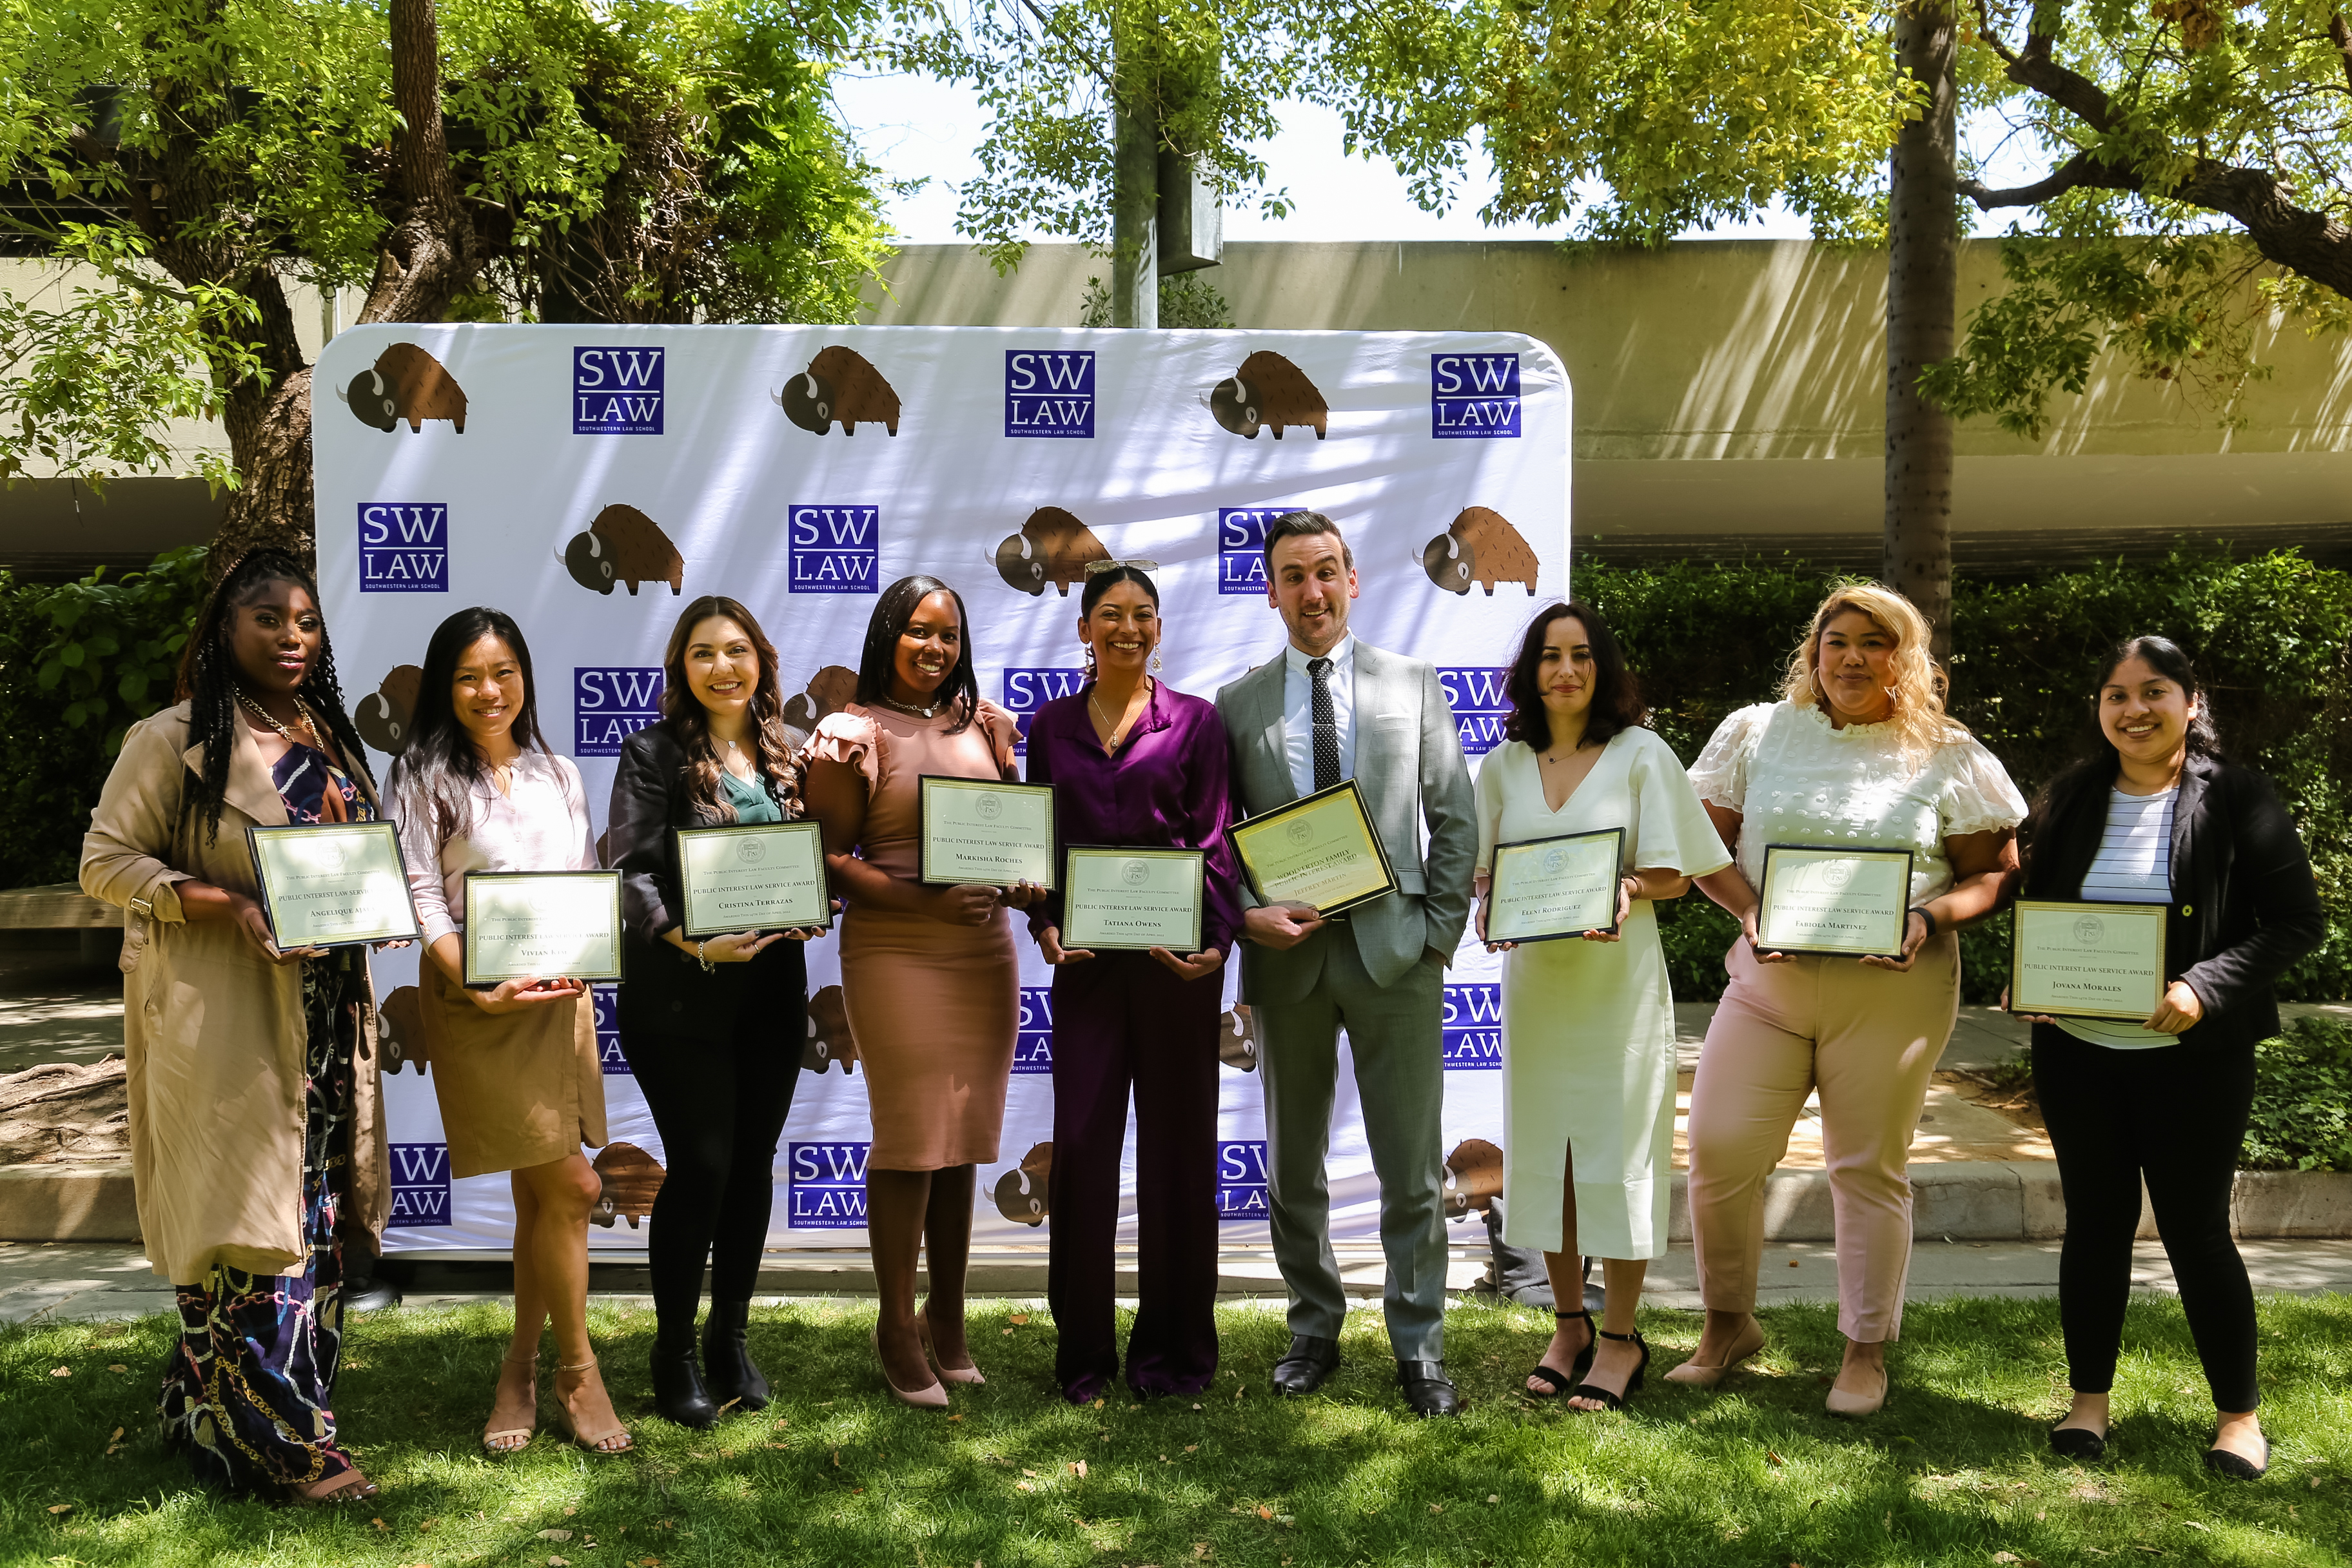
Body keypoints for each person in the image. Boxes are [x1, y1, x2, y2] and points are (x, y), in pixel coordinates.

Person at [80, 547, 393, 1500]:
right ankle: (287, 1449)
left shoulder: (330, 736)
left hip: (327, 1021)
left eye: (306, 621)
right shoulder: (172, 738)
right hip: (227, 1019)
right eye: (270, 619)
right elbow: (104, 861)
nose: (293, 637)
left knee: (320, 1215)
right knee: (251, 1224)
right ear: (226, 628)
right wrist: (224, 903)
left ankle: (203, 1406)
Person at [1672, 583, 2025, 1415]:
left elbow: (1998, 872)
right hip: (1769, 982)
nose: (1854, 657)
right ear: (1814, 649)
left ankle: (1865, 1349)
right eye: (1838, 640)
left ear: (1908, 658)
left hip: (1894, 986)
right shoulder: (1756, 731)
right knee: (1719, 1152)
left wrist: (1926, 915)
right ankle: (1727, 1326)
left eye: (1877, 642)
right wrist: (1749, 908)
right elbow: (1694, 842)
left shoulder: (1948, 750)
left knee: (1866, 1167)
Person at [2015, 637, 2320, 1478]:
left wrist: (2204, 985)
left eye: (2153, 691)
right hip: (2079, 1053)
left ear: (2190, 702)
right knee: (2095, 1227)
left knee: (2196, 1233)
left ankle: (2240, 1418)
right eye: (2116, 694)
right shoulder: (2074, 795)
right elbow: (2036, 897)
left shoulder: (2237, 797)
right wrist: (2035, 977)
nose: (2133, 709)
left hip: (2195, 1058)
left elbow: (2297, 922)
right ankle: (2088, 1406)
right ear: (2100, 708)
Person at [1212, 511, 1476, 1418]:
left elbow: (1455, 819)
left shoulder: (1412, 684)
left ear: (1353, 579)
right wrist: (1248, 920)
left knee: (1410, 1168)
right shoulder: (1236, 706)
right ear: (1271, 589)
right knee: (1293, 1167)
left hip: (1396, 959)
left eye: (1326, 571)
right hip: (1288, 970)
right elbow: (1219, 847)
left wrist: (1438, 937)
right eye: (1293, 576)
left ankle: (1420, 1345)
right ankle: (1313, 1328)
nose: (1312, 591)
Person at [1472, 602, 1740, 1411]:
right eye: (1551, 655)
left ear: (1604, 667)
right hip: (1539, 988)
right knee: (1548, 1160)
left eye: (1582, 655)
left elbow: (1676, 870)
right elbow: (1488, 874)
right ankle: (1568, 1324)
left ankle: (1621, 1336)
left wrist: (1624, 885)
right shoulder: (1503, 765)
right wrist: (1491, 906)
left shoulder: (1642, 755)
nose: (1566, 670)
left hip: (1617, 987)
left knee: (1616, 1160)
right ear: (1531, 670)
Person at [386, 607, 628, 1455]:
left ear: (525, 676)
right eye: (468, 677)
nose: (489, 692)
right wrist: (475, 980)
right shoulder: (420, 776)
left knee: (544, 1198)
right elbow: (420, 897)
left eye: (504, 672)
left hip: (560, 1003)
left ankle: (520, 1370)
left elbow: (586, 881)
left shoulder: (561, 773)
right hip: (476, 1005)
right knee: (577, 1188)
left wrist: (589, 956)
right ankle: (579, 1371)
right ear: (445, 688)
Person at [803, 576, 1044, 1407]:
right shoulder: (850, 732)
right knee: (910, 1138)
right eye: (918, 632)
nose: (935, 648)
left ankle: (950, 1316)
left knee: (964, 1138)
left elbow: (1014, 840)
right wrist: (919, 898)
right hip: (897, 947)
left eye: (949, 634)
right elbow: (828, 858)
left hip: (984, 950)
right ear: (886, 636)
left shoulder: (986, 726)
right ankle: (895, 1323)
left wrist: (1029, 895)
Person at [1023, 563, 1242, 1404]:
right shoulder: (1048, 729)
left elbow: (1216, 839)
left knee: (1179, 1157)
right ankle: (1083, 1357)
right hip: (1083, 973)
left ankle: (1175, 1358)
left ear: (1159, 629)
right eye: (1109, 614)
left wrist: (1217, 944)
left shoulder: (1196, 724)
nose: (1126, 627)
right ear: (1084, 629)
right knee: (1081, 1153)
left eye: (1141, 614)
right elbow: (1035, 843)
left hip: (1175, 971)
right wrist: (1042, 922)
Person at [607, 596, 823, 1428]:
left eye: (737, 651)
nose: (723, 667)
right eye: (703, 653)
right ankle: (674, 1350)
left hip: (771, 990)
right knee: (702, 1166)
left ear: (761, 662)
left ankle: (731, 1335)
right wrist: (692, 944)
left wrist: (813, 900)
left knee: (753, 1165)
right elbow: (629, 872)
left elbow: (817, 857)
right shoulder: (652, 753)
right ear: (681, 667)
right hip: (680, 993)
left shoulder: (791, 756)